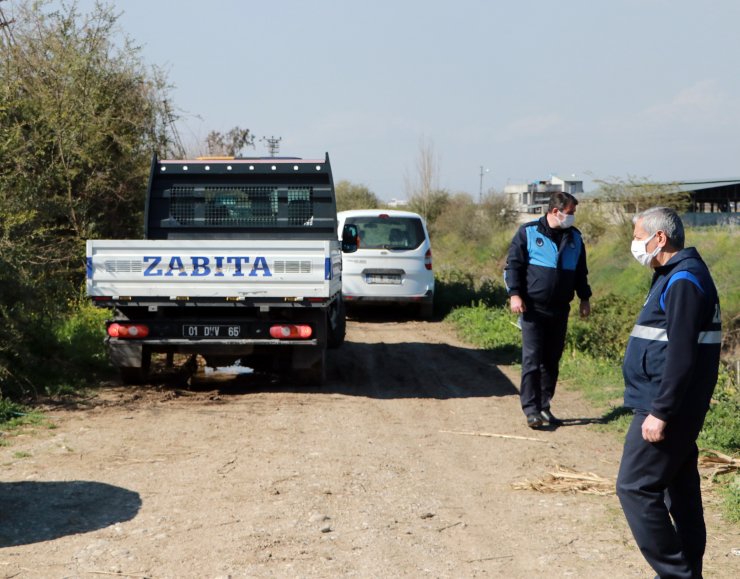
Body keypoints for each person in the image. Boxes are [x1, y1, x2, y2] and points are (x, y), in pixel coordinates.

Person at [616, 207, 721, 578]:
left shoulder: (684, 280)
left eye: (637, 234)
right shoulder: (673, 275)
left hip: (665, 406)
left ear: (659, 238)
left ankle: (679, 575)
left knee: (634, 487)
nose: (634, 242)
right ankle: (689, 569)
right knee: (681, 494)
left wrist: (660, 411)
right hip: (671, 403)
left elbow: (681, 353)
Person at [504, 191, 591, 428]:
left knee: (552, 360)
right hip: (532, 309)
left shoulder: (575, 238)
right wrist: (514, 295)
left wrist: (585, 298)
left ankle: (544, 406)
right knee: (532, 360)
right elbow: (513, 267)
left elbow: (581, 272)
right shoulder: (528, 233)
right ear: (556, 211)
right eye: (570, 213)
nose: (573, 217)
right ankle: (531, 410)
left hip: (560, 310)